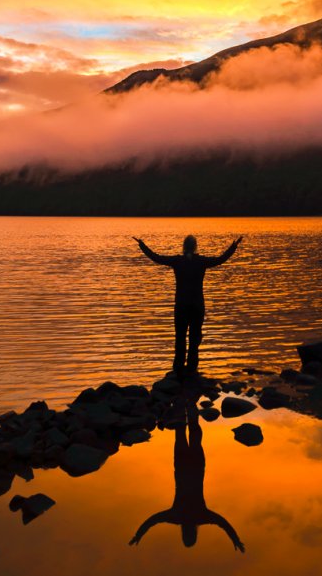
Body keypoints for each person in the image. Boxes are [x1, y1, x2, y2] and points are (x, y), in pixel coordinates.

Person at [129, 401, 245, 551]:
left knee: (192, 437)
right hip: (184, 468)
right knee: (183, 435)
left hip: (193, 469)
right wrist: (235, 539)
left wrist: (139, 535)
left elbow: (152, 521)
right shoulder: (182, 517)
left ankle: (187, 408)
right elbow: (152, 521)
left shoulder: (195, 517)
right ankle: (184, 407)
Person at [133, 233, 243, 376]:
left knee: (180, 337)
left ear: (184, 247)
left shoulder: (177, 261)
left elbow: (156, 257)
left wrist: (142, 244)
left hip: (181, 305)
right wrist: (234, 246)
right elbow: (221, 259)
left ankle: (178, 368)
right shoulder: (201, 261)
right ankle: (192, 368)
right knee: (194, 337)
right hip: (197, 305)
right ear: (195, 247)